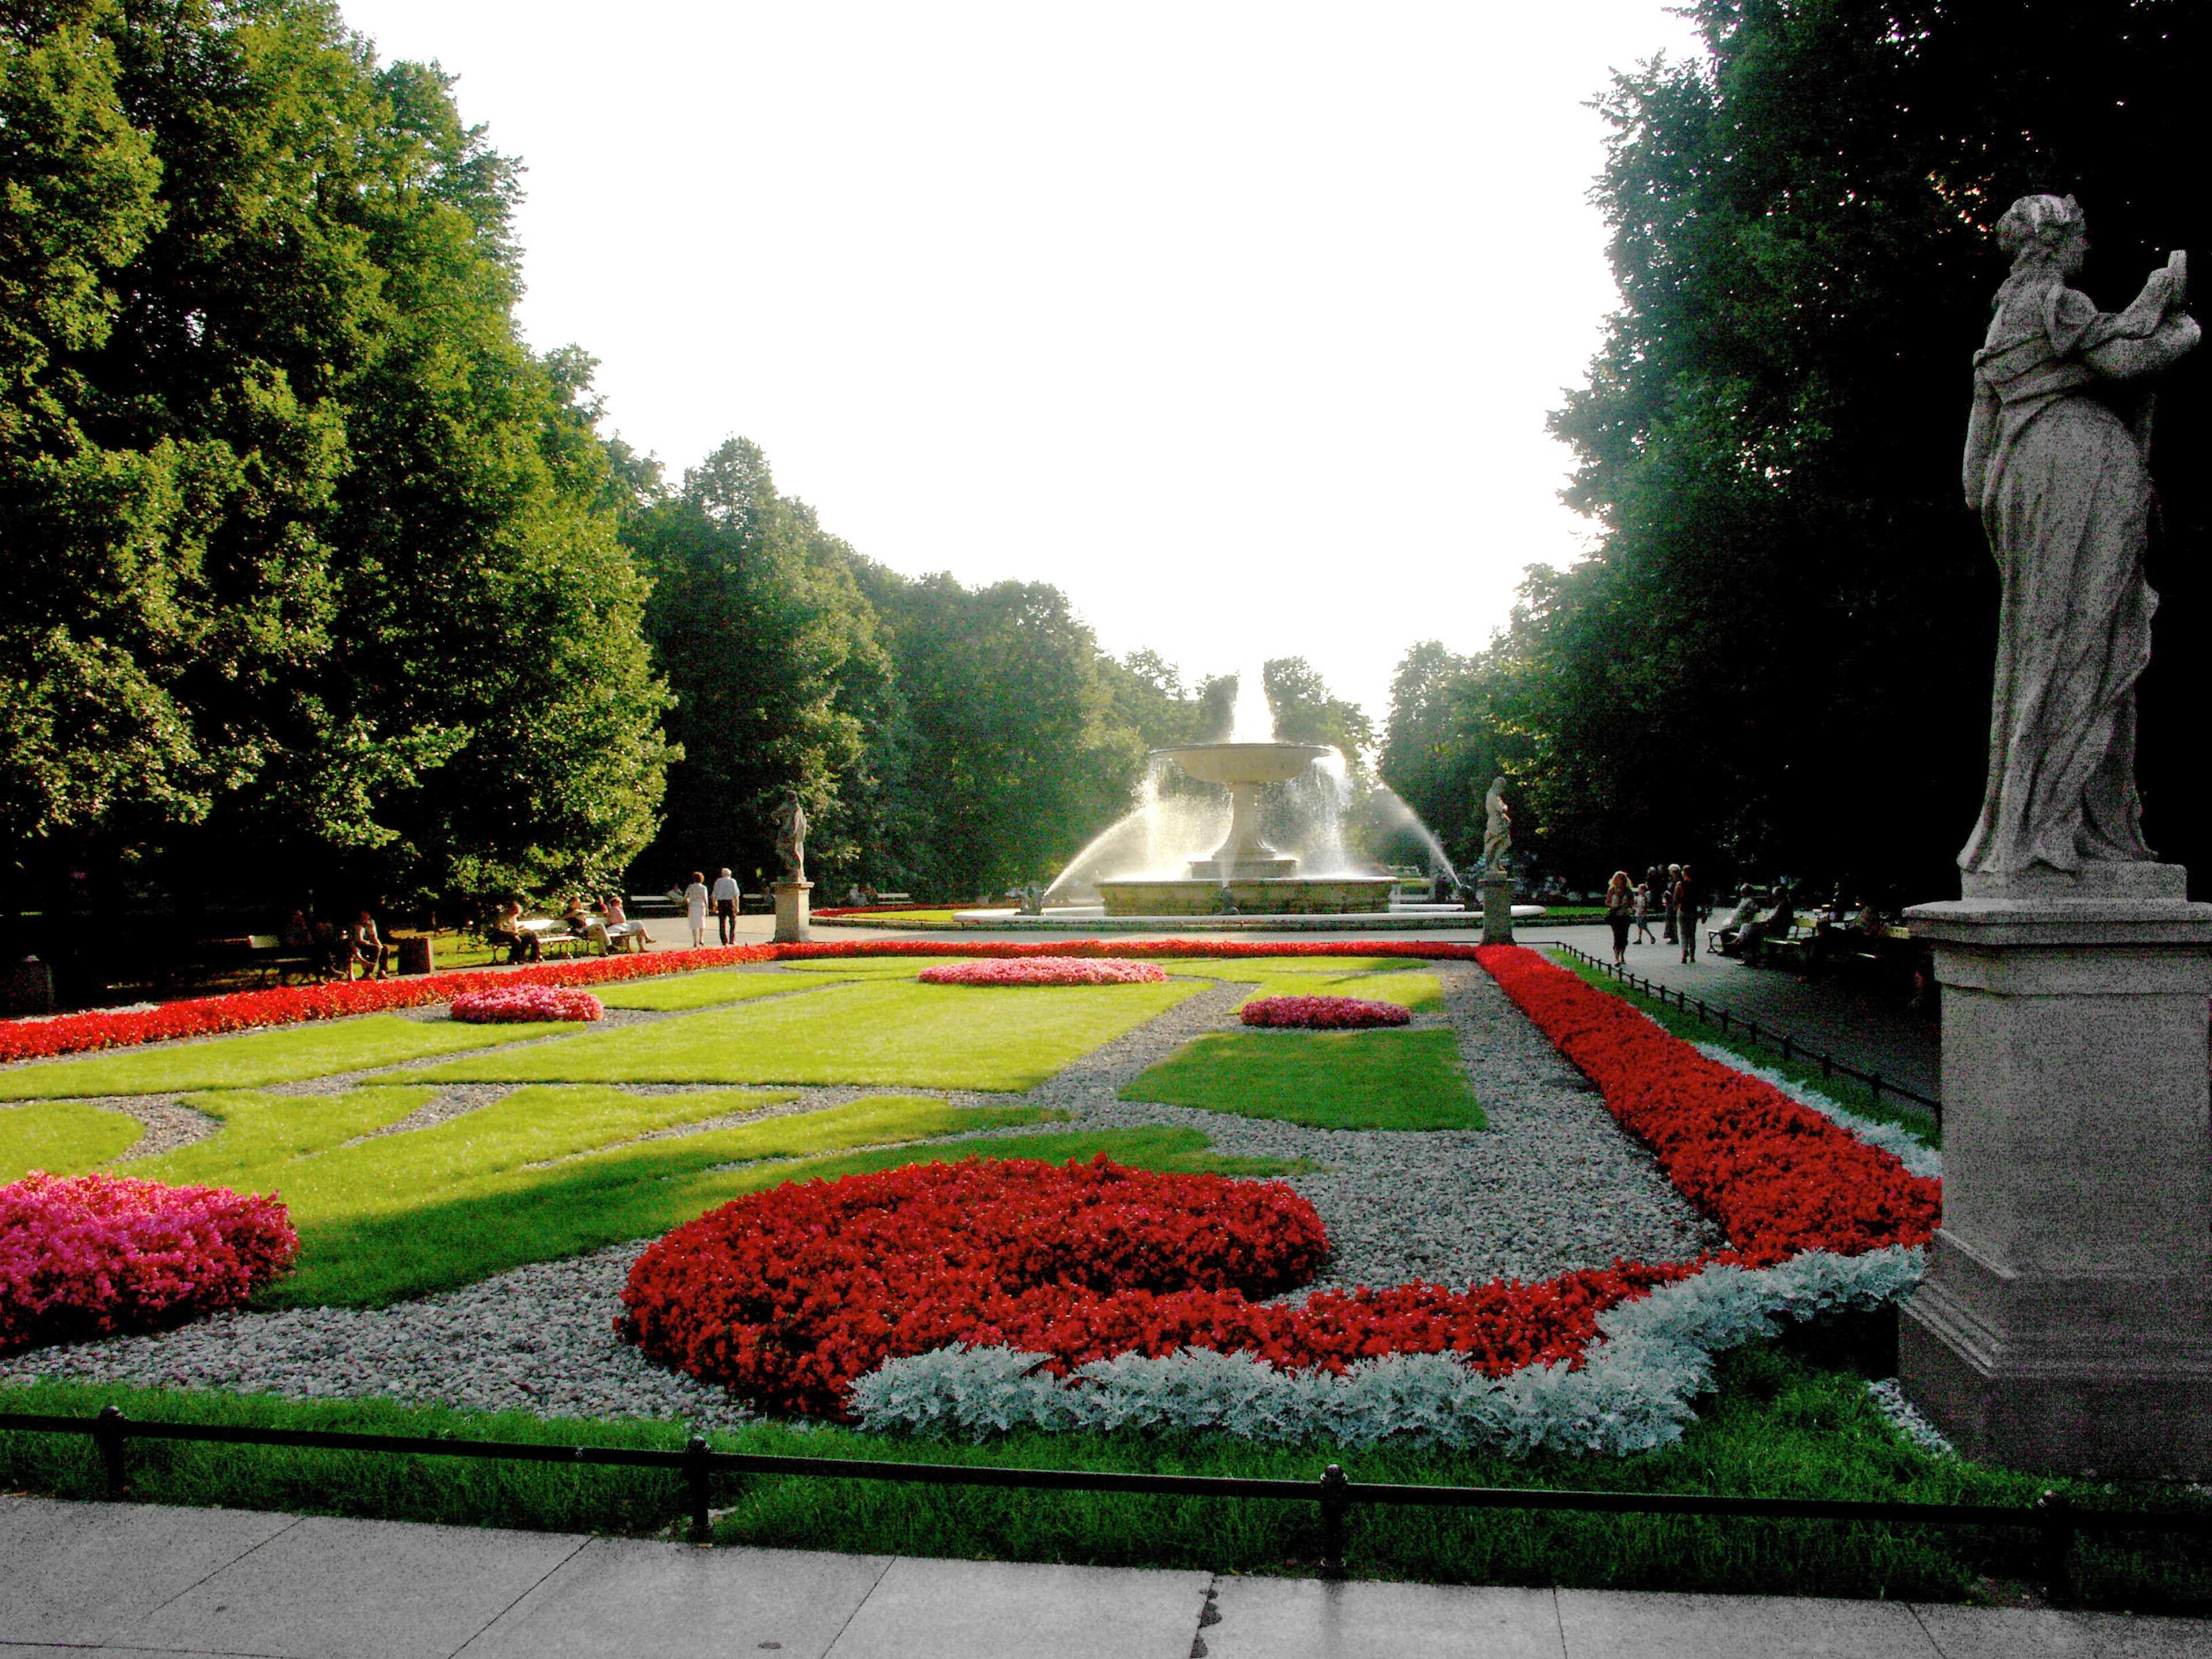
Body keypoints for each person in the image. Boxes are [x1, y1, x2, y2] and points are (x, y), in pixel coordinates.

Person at [1960, 196, 2198, 877]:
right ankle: (2057, 825)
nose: (2087, 250)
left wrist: (2006, 512)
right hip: (2079, 470)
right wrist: (2183, 329)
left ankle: (2058, 820)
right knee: (2084, 640)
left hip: (2027, 477)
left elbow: (1974, 473)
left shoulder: (2004, 320)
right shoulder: (2058, 307)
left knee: (2049, 642)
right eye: (2082, 237)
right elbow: (2127, 361)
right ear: (2056, 242)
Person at [486, 897, 538, 965]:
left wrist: (519, 929)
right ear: (510, 909)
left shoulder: (514, 917)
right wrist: (511, 933)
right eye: (514, 911)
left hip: (513, 934)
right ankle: (513, 959)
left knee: (531, 934)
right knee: (516, 939)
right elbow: (499, 930)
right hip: (500, 935)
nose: (515, 914)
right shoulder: (501, 917)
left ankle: (534, 957)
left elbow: (514, 929)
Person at [347, 910, 391, 980]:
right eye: (364, 917)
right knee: (375, 949)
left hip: (368, 943)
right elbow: (359, 940)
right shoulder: (357, 925)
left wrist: (379, 945)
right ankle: (368, 973)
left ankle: (382, 971)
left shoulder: (371, 923)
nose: (366, 919)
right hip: (359, 945)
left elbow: (374, 937)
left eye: (367, 917)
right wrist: (372, 945)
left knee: (385, 948)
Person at [1604, 871, 1634, 965]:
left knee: (1624, 937)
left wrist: (1627, 905)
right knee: (1617, 936)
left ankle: (1622, 955)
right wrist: (1613, 906)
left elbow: (1632, 902)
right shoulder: (1612, 890)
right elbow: (1607, 902)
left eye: (1623, 879)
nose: (1621, 881)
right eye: (1619, 879)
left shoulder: (1628, 891)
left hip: (1625, 916)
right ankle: (1617, 957)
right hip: (1615, 917)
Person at [1673, 867, 1701, 964]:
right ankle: (1692, 956)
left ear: (1684, 873)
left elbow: (1675, 898)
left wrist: (1676, 906)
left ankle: (1684, 953)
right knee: (1692, 934)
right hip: (1693, 911)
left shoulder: (1680, 884)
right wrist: (1703, 912)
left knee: (1684, 934)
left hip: (1683, 911)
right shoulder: (1697, 885)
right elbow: (1700, 899)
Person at [710, 866, 740, 945]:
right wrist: (737, 907)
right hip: (730, 902)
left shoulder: (718, 882)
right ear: (730, 874)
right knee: (733, 921)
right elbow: (736, 895)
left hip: (721, 903)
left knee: (722, 922)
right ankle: (732, 939)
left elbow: (714, 895)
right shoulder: (733, 881)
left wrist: (714, 905)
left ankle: (724, 940)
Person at [684, 871, 709, 949]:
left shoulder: (691, 887)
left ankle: (695, 942)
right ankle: (701, 939)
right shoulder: (704, 888)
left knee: (694, 924)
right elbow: (706, 899)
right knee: (702, 922)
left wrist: (688, 901)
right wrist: (707, 908)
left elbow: (685, 897)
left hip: (693, 906)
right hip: (701, 906)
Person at [1661, 863, 1683, 945]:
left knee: (1671, 919)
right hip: (1672, 903)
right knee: (1670, 920)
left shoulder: (1677, 881)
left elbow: (1674, 893)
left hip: (1672, 903)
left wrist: (1668, 893)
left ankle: (1673, 937)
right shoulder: (1676, 880)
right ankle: (1672, 936)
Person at [1632, 881, 1657, 945]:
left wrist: (1642, 911)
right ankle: (1640, 939)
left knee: (1643, 926)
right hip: (1638, 912)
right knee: (1640, 926)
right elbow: (1636, 904)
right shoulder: (1639, 897)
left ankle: (1651, 937)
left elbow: (1645, 906)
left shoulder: (1644, 898)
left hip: (1642, 914)